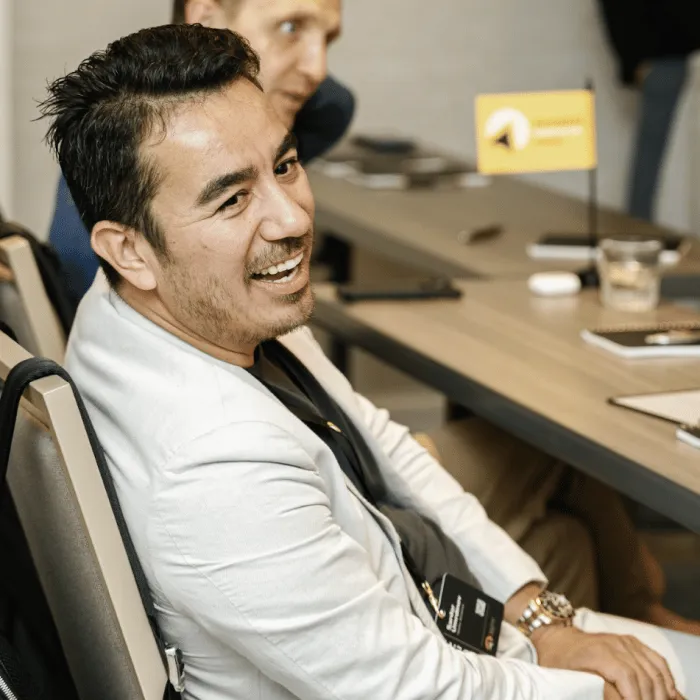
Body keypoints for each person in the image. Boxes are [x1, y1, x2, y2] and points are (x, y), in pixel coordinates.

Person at [41, 24, 700, 699]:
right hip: (434, 671)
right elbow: (419, 690)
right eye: (232, 199)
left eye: (285, 166)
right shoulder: (213, 471)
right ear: (128, 250)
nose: (293, 219)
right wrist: (617, 689)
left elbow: (382, 444)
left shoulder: (178, 306)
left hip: (435, 625)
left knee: (569, 543)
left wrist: (544, 622)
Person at [48, 0, 354, 302]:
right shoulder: (112, 202)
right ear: (206, 15)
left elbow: (335, 102)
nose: (317, 69)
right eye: (290, 28)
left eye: (282, 167)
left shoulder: (317, 105)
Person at [596, 0, 700, 221]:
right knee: (652, 154)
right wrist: (632, 61)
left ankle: (639, 224)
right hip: (665, 60)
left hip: (668, 58)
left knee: (655, 154)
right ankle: (639, 224)